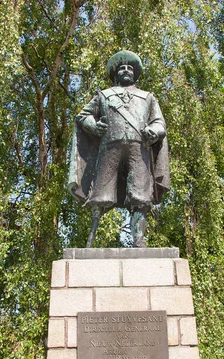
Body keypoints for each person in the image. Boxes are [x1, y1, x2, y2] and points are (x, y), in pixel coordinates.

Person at [68, 50, 170, 247]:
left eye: (129, 68)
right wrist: (94, 126)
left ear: (135, 73)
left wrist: (154, 131)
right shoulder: (103, 96)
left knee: (140, 195)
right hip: (109, 147)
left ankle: (139, 240)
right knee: (100, 193)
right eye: (121, 67)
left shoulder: (148, 97)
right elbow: (83, 116)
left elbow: (159, 123)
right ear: (115, 73)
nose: (125, 70)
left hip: (138, 149)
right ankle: (90, 240)